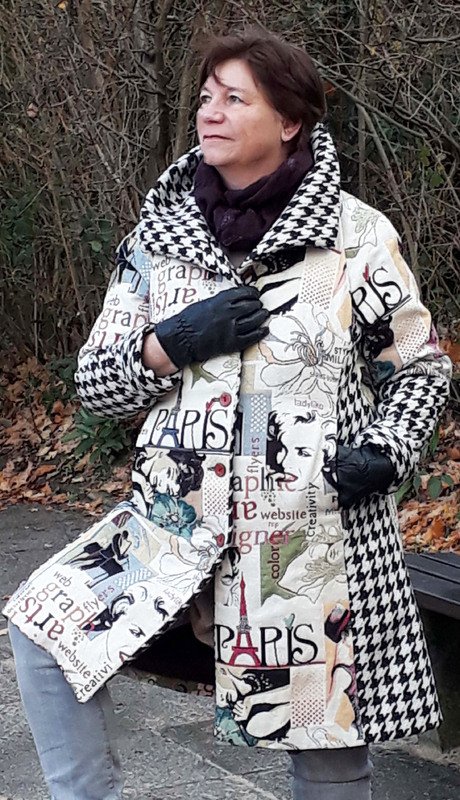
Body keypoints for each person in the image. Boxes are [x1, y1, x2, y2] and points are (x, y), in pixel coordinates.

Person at [6, 27, 451, 800]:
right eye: (207, 97)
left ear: (289, 121)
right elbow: (97, 385)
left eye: (234, 99)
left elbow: (419, 367)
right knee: (42, 630)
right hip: (171, 528)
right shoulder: (159, 239)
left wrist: (386, 447)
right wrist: (169, 344)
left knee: (326, 752)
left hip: (303, 539)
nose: (209, 112)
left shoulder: (355, 237)